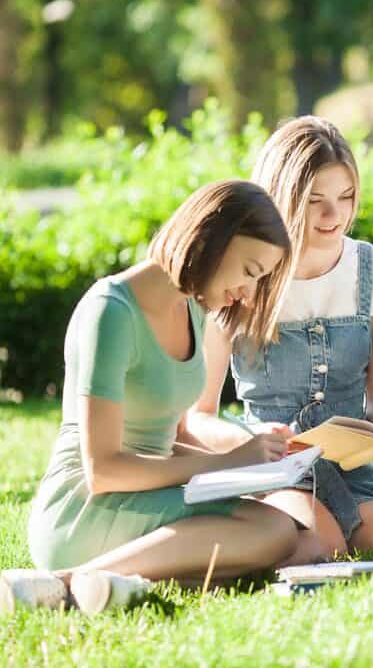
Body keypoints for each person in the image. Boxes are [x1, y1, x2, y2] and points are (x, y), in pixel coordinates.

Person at [3, 180, 299, 615]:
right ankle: (63, 582)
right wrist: (224, 463)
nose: (249, 293)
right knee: (272, 534)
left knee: (274, 531)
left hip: (146, 495)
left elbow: (170, 438)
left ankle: (116, 583)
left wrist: (253, 467)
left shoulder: (193, 309)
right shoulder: (111, 311)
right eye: (250, 271)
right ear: (214, 239)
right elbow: (102, 469)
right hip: (84, 507)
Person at [187, 117, 373, 564]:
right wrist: (251, 441)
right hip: (275, 472)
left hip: (347, 471)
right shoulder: (242, 276)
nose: (334, 216)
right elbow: (198, 415)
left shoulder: (370, 271)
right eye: (315, 200)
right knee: (322, 544)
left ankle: (301, 538)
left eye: (345, 197)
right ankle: (230, 540)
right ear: (280, 198)